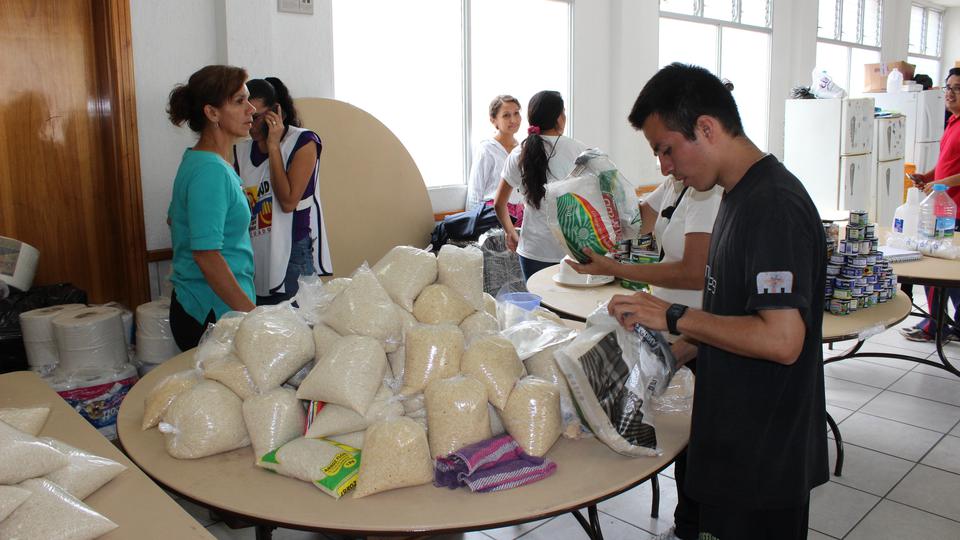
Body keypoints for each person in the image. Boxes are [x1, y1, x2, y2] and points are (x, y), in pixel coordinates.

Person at [610, 63, 828, 540]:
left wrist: (673, 314)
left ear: (706, 128)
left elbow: (783, 340)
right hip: (731, 441)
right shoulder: (733, 195)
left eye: (666, 149)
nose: (664, 167)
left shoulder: (773, 206)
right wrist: (669, 355)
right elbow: (734, 318)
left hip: (763, 459)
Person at [166, 65, 257, 351]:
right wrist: (254, 317)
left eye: (248, 99)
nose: (252, 109)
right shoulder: (210, 170)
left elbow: (173, 219)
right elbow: (206, 255)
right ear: (212, 113)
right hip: (211, 312)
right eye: (239, 101)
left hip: (213, 306)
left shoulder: (202, 161)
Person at [234, 77, 333, 305]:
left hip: (291, 253)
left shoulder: (303, 142)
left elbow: (288, 201)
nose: (250, 123)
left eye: (257, 117)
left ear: (275, 113)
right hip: (256, 253)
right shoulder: (241, 151)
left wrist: (273, 145)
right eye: (246, 114)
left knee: (294, 325)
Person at [494, 90, 590, 281]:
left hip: (533, 250)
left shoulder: (519, 153)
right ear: (559, 118)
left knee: (538, 301)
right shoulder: (580, 151)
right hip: (573, 250)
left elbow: (499, 203)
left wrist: (510, 232)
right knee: (570, 300)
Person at [900, 67, 960, 343]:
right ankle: (951, 324)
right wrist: (927, 176)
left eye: (957, 88)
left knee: (937, 268)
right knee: (949, 270)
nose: (949, 93)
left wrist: (940, 184)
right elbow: (948, 164)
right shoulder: (953, 122)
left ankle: (935, 325)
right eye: (948, 87)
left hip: (953, 210)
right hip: (941, 207)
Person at [465, 95, 524, 226]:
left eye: (516, 113)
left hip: (520, 216)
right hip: (492, 215)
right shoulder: (487, 148)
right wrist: (472, 225)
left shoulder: (522, 149)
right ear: (493, 120)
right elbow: (475, 190)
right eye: (506, 115)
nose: (513, 119)